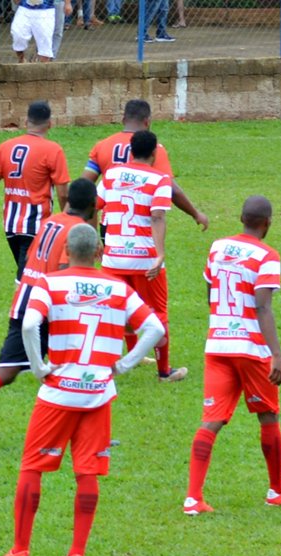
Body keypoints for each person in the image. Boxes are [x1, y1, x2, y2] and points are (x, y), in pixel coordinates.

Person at [0, 223, 164, 556]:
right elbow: (156, 328)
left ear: (66, 252)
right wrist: (125, 364)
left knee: (32, 468)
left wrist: (38, 367)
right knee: (87, 473)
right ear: (99, 253)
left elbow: (27, 326)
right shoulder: (119, 288)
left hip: (58, 392)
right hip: (98, 392)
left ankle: (20, 552)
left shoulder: (49, 284)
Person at [0, 178, 98, 450]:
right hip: (47, 307)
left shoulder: (51, 221)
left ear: (68, 200)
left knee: (10, 370)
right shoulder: (79, 230)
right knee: (74, 366)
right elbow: (61, 274)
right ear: (94, 207)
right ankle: (77, 433)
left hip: (26, 298)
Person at [183, 195, 281, 515]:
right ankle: (277, 489)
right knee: (268, 416)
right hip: (251, 349)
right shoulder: (267, 256)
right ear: (267, 223)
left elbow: (211, 292)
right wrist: (276, 355)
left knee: (211, 420)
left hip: (218, 344)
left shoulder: (217, 247)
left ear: (241, 218)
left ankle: (193, 498)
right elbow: (262, 305)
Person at [98, 130, 187, 382]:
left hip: (113, 258)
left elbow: (92, 205)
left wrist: (96, 239)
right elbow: (157, 216)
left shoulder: (111, 175)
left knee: (116, 311)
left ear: (130, 151)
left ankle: (110, 362)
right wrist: (159, 255)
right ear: (155, 153)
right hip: (145, 259)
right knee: (158, 312)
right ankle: (164, 371)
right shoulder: (159, 179)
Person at [82, 99, 209, 240]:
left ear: (123, 120)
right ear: (147, 122)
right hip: (142, 225)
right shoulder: (152, 149)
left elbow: (83, 185)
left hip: (111, 223)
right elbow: (172, 190)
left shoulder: (102, 146)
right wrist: (195, 213)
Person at [0, 101, 70, 282]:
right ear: (49, 124)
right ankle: (20, 310)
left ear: (26, 122)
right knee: (28, 280)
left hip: (11, 225)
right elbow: (63, 193)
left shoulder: (5, 147)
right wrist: (66, 219)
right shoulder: (53, 150)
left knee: (35, 275)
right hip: (36, 225)